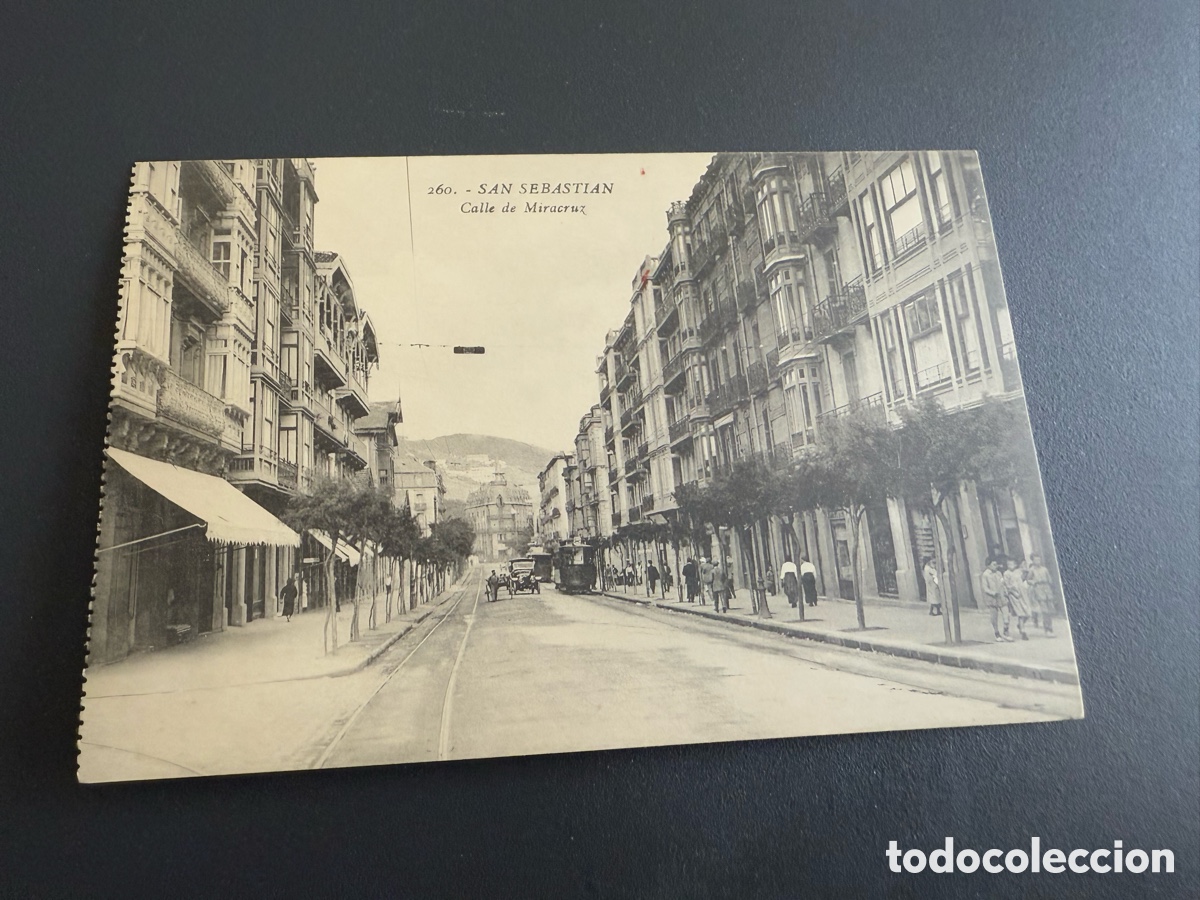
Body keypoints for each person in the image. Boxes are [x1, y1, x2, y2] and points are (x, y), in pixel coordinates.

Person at [981, 558, 1011, 641]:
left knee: (1006, 615)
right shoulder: (986, 575)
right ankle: (997, 633)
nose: (995, 566)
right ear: (988, 565)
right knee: (994, 617)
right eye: (994, 565)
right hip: (993, 598)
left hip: (1001, 596)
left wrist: (1005, 591)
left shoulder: (999, 573)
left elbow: (1002, 583)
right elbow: (985, 587)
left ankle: (1006, 631)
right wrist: (992, 592)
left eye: (996, 564)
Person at [1027, 553, 1056, 636]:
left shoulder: (1044, 569)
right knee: (1044, 611)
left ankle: (1050, 628)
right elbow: (1028, 580)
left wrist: (1050, 587)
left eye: (1039, 559)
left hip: (1047, 589)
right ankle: (1047, 629)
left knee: (1049, 610)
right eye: (1036, 560)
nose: (1038, 561)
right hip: (1039, 589)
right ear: (1032, 561)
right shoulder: (1032, 570)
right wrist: (1034, 583)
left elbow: (1049, 579)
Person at [1003, 557, 1031, 640]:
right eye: (1008, 564)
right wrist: (1013, 593)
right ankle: (1023, 632)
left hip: (1022, 593)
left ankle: (1020, 624)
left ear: (1015, 564)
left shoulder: (1018, 571)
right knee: (1021, 613)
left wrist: (1025, 572)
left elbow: (1022, 579)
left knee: (1027, 612)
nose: (1010, 566)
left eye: (1011, 564)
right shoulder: (1006, 573)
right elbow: (1007, 585)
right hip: (1014, 595)